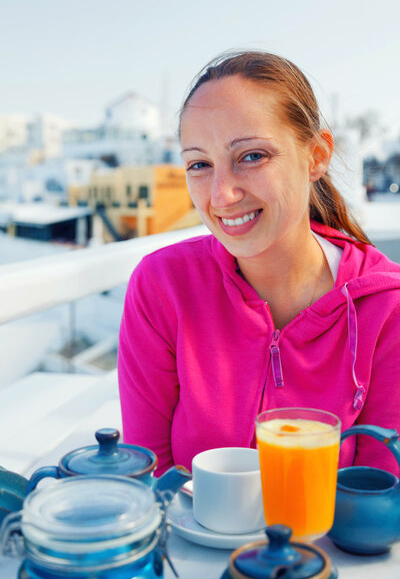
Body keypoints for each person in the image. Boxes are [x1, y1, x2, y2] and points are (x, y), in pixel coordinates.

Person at [118, 51, 400, 476]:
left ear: (317, 155)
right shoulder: (162, 286)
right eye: (200, 164)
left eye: (251, 156)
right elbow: (147, 474)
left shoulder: (387, 310)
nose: (221, 195)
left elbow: (381, 500)